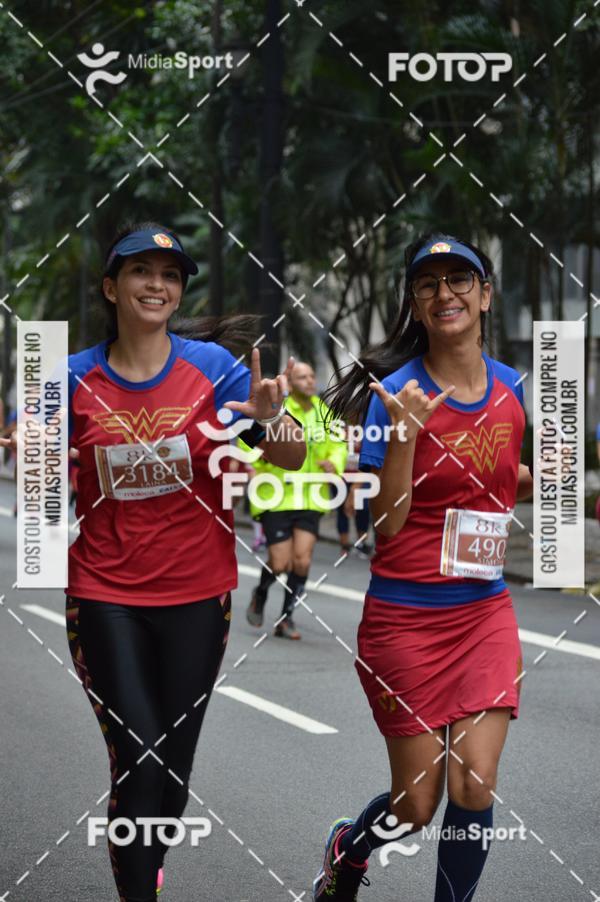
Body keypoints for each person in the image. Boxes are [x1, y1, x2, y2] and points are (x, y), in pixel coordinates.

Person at [4, 221, 305, 902]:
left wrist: (263, 420)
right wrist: (36, 449)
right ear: (112, 287)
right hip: (104, 593)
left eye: (170, 276)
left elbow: (291, 455)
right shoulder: (71, 376)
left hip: (199, 597)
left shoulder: (217, 370)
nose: (157, 285)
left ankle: (148, 866)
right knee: (139, 759)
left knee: (170, 775)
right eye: (142, 272)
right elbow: (37, 478)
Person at [313, 233, 534, 901]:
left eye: (460, 280)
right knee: (416, 806)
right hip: (405, 620)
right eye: (429, 284)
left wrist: (531, 480)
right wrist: (406, 439)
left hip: (483, 612)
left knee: (475, 782)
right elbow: (387, 525)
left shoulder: (514, 388)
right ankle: (350, 848)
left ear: (485, 295)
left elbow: (498, 479)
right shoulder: (394, 396)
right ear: (415, 303)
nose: (446, 294)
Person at [244, 361, 347, 639]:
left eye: (312, 375)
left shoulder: (325, 412)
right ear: (289, 380)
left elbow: (339, 443)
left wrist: (334, 463)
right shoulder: (275, 409)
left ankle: (286, 618)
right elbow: (247, 442)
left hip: (311, 496)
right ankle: (261, 591)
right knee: (280, 563)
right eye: (303, 376)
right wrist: (259, 458)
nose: (310, 380)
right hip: (276, 497)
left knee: (301, 561)